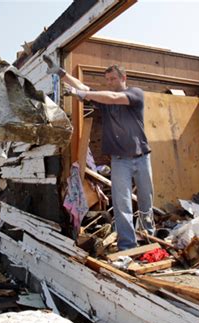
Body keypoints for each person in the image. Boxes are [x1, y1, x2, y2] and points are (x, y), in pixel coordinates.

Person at [44, 57, 154, 251]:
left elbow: (108, 97)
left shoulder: (135, 94)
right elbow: (85, 88)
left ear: (123, 78)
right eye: (108, 80)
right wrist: (61, 73)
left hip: (141, 157)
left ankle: (149, 239)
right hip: (120, 161)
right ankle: (127, 246)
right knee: (122, 205)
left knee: (146, 201)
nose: (110, 83)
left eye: (113, 79)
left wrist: (80, 93)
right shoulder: (105, 102)